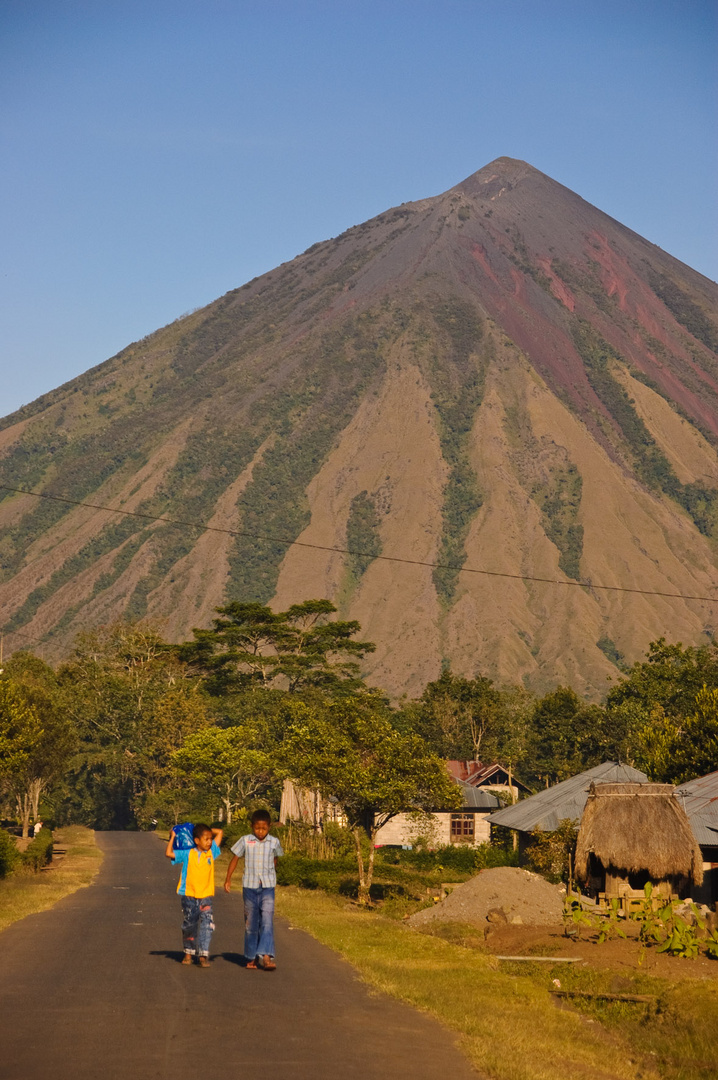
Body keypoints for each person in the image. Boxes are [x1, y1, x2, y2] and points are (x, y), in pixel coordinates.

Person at [224, 809, 283, 970]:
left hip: (267, 887)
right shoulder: (245, 840)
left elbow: (276, 858)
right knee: (251, 923)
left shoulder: (274, 842)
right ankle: (251, 957)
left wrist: (271, 872)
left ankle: (266, 956)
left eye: (264, 829)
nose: (260, 832)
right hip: (249, 887)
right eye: (257, 828)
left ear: (269, 827)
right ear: (252, 826)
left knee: (267, 921)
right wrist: (228, 879)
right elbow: (235, 858)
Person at [165, 822, 223, 968]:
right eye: (206, 839)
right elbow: (169, 853)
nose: (210, 841)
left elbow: (220, 832)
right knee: (189, 925)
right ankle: (188, 953)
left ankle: (203, 954)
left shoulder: (211, 853)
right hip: (189, 895)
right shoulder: (188, 853)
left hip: (205, 896)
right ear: (196, 840)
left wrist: (199, 828)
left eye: (210, 839)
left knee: (207, 925)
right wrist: (173, 837)